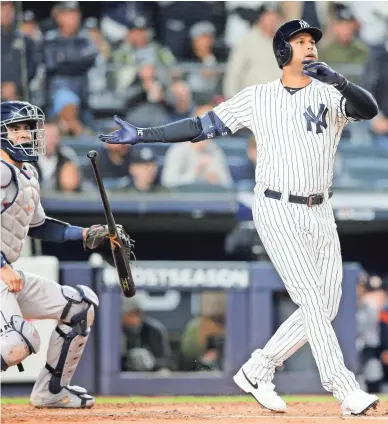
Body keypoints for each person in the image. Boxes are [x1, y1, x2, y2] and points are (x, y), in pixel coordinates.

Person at [99, 19, 379, 415]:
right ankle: (344, 388)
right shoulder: (258, 97)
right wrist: (145, 135)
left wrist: (339, 81)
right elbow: (200, 126)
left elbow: (369, 110)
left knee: (327, 305)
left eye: (312, 41)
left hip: (321, 210)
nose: (310, 47)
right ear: (283, 52)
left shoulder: (330, 94)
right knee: (312, 301)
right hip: (276, 207)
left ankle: (258, 368)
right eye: (300, 41)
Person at [0, 101, 131, 408]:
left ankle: (52, 392)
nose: (24, 135)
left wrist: (85, 234)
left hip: (8, 277)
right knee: (21, 340)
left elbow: (40, 226)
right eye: (15, 128)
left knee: (80, 306)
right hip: (3, 273)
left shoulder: (27, 173)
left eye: (28, 128)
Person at [121, 297, 171, 372]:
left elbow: (165, 360)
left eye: (136, 313)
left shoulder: (154, 330)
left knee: (164, 372)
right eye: (129, 314)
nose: (134, 318)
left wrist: (151, 361)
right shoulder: (116, 331)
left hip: (150, 375)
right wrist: (128, 359)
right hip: (123, 374)